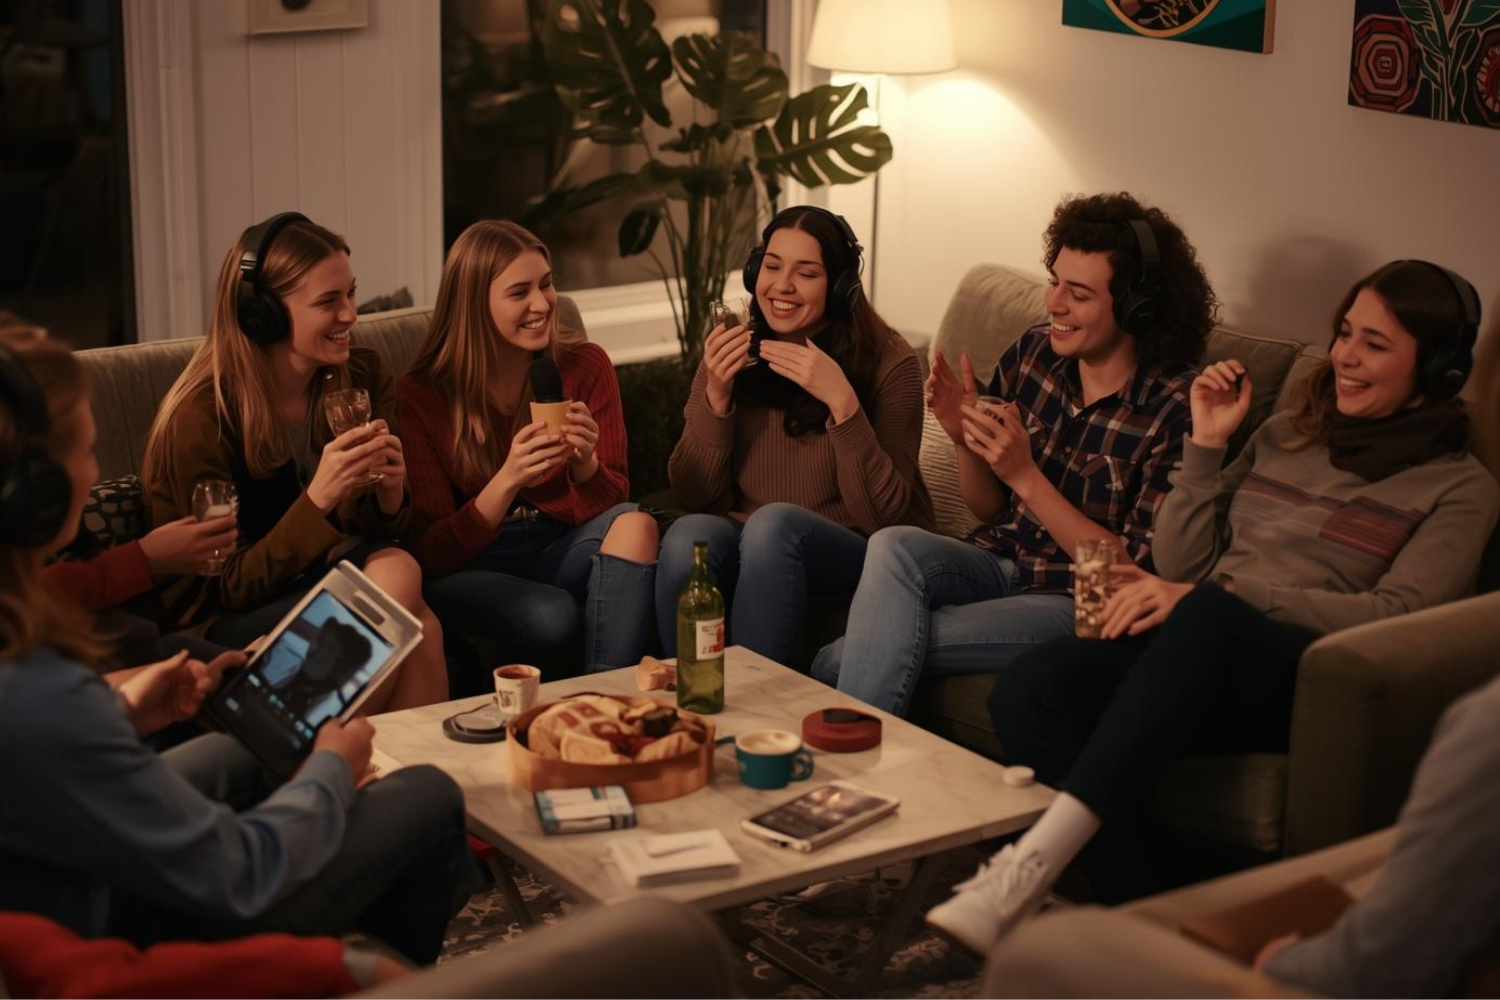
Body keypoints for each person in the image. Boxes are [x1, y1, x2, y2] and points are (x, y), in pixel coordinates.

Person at [926, 259, 1500, 954]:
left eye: (1374, 345)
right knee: (1032, 687)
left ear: (1438, 368)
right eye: (1345, 333)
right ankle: (1157, 920)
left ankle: (1033, 861)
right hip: (1195, 645)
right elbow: (1179, 563)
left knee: (1209, 612)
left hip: (1305, 675)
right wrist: (1204, 444)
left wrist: (1218, 597)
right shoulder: (1289, 433)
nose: (1345, 357)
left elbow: (1401, 616)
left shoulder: (1459, 488)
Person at [0, 328, 474, 964]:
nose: (93, 473)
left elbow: (38, 746)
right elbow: (244, 870)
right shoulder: (43, 687)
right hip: (114, 921)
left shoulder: (25, 653)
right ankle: (355, 973)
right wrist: (332, 770)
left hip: (76, 868)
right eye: (86, 453)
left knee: (245, 754)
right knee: (428, 793)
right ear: (32, 494)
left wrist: (133, 709)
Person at [815, 192, 1216, 714]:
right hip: (1000, 561)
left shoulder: (1178, 408)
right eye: (1054, 282)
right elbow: (989, 510)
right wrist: (965, 438)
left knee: (836, 660)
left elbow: (1131, 574)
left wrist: (1026, 475)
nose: (1054, 304)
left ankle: (857, 770)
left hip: (1083, 599)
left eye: (1079, 293)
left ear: (1137, 307)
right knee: (894, 545)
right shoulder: (1035, 353)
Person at [140, 212, 447, 713]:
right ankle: (313, 755)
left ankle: (386, 776)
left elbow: (389, 532)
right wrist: (318, 499)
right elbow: (225, 585)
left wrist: (392, 496)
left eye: (350, 293)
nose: (350, 314)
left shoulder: (362, 376)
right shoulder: (201, 419)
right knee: (411, 606)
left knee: (401, 574)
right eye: (329, 301)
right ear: (262, 315)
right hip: (226, 612)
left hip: (321, 579)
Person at [658, 205, 933, 667]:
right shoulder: (735, 346)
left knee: (773, 524)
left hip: (859, 546)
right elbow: (695, 493)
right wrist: (717, 398)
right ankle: (689, 705)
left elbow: (883, 517)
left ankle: (756, 717)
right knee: (689, 535)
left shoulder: (890, 362)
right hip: (754, 533)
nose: (781, 286)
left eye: (806, 273)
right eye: (771, 266)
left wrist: (842, 404)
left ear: (842, 286)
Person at [398, 219, 657, 681]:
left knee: (637, 524)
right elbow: (429, 554)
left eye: (546, 284)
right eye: (520, 293)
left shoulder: (585, 365)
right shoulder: (422, 395)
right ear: (475, 305)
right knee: (549, 612)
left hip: (559, 543)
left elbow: (613, 507)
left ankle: (604, 703)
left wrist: (585, 464)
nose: (542, 304)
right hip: (474, 561)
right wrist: (506, 480)